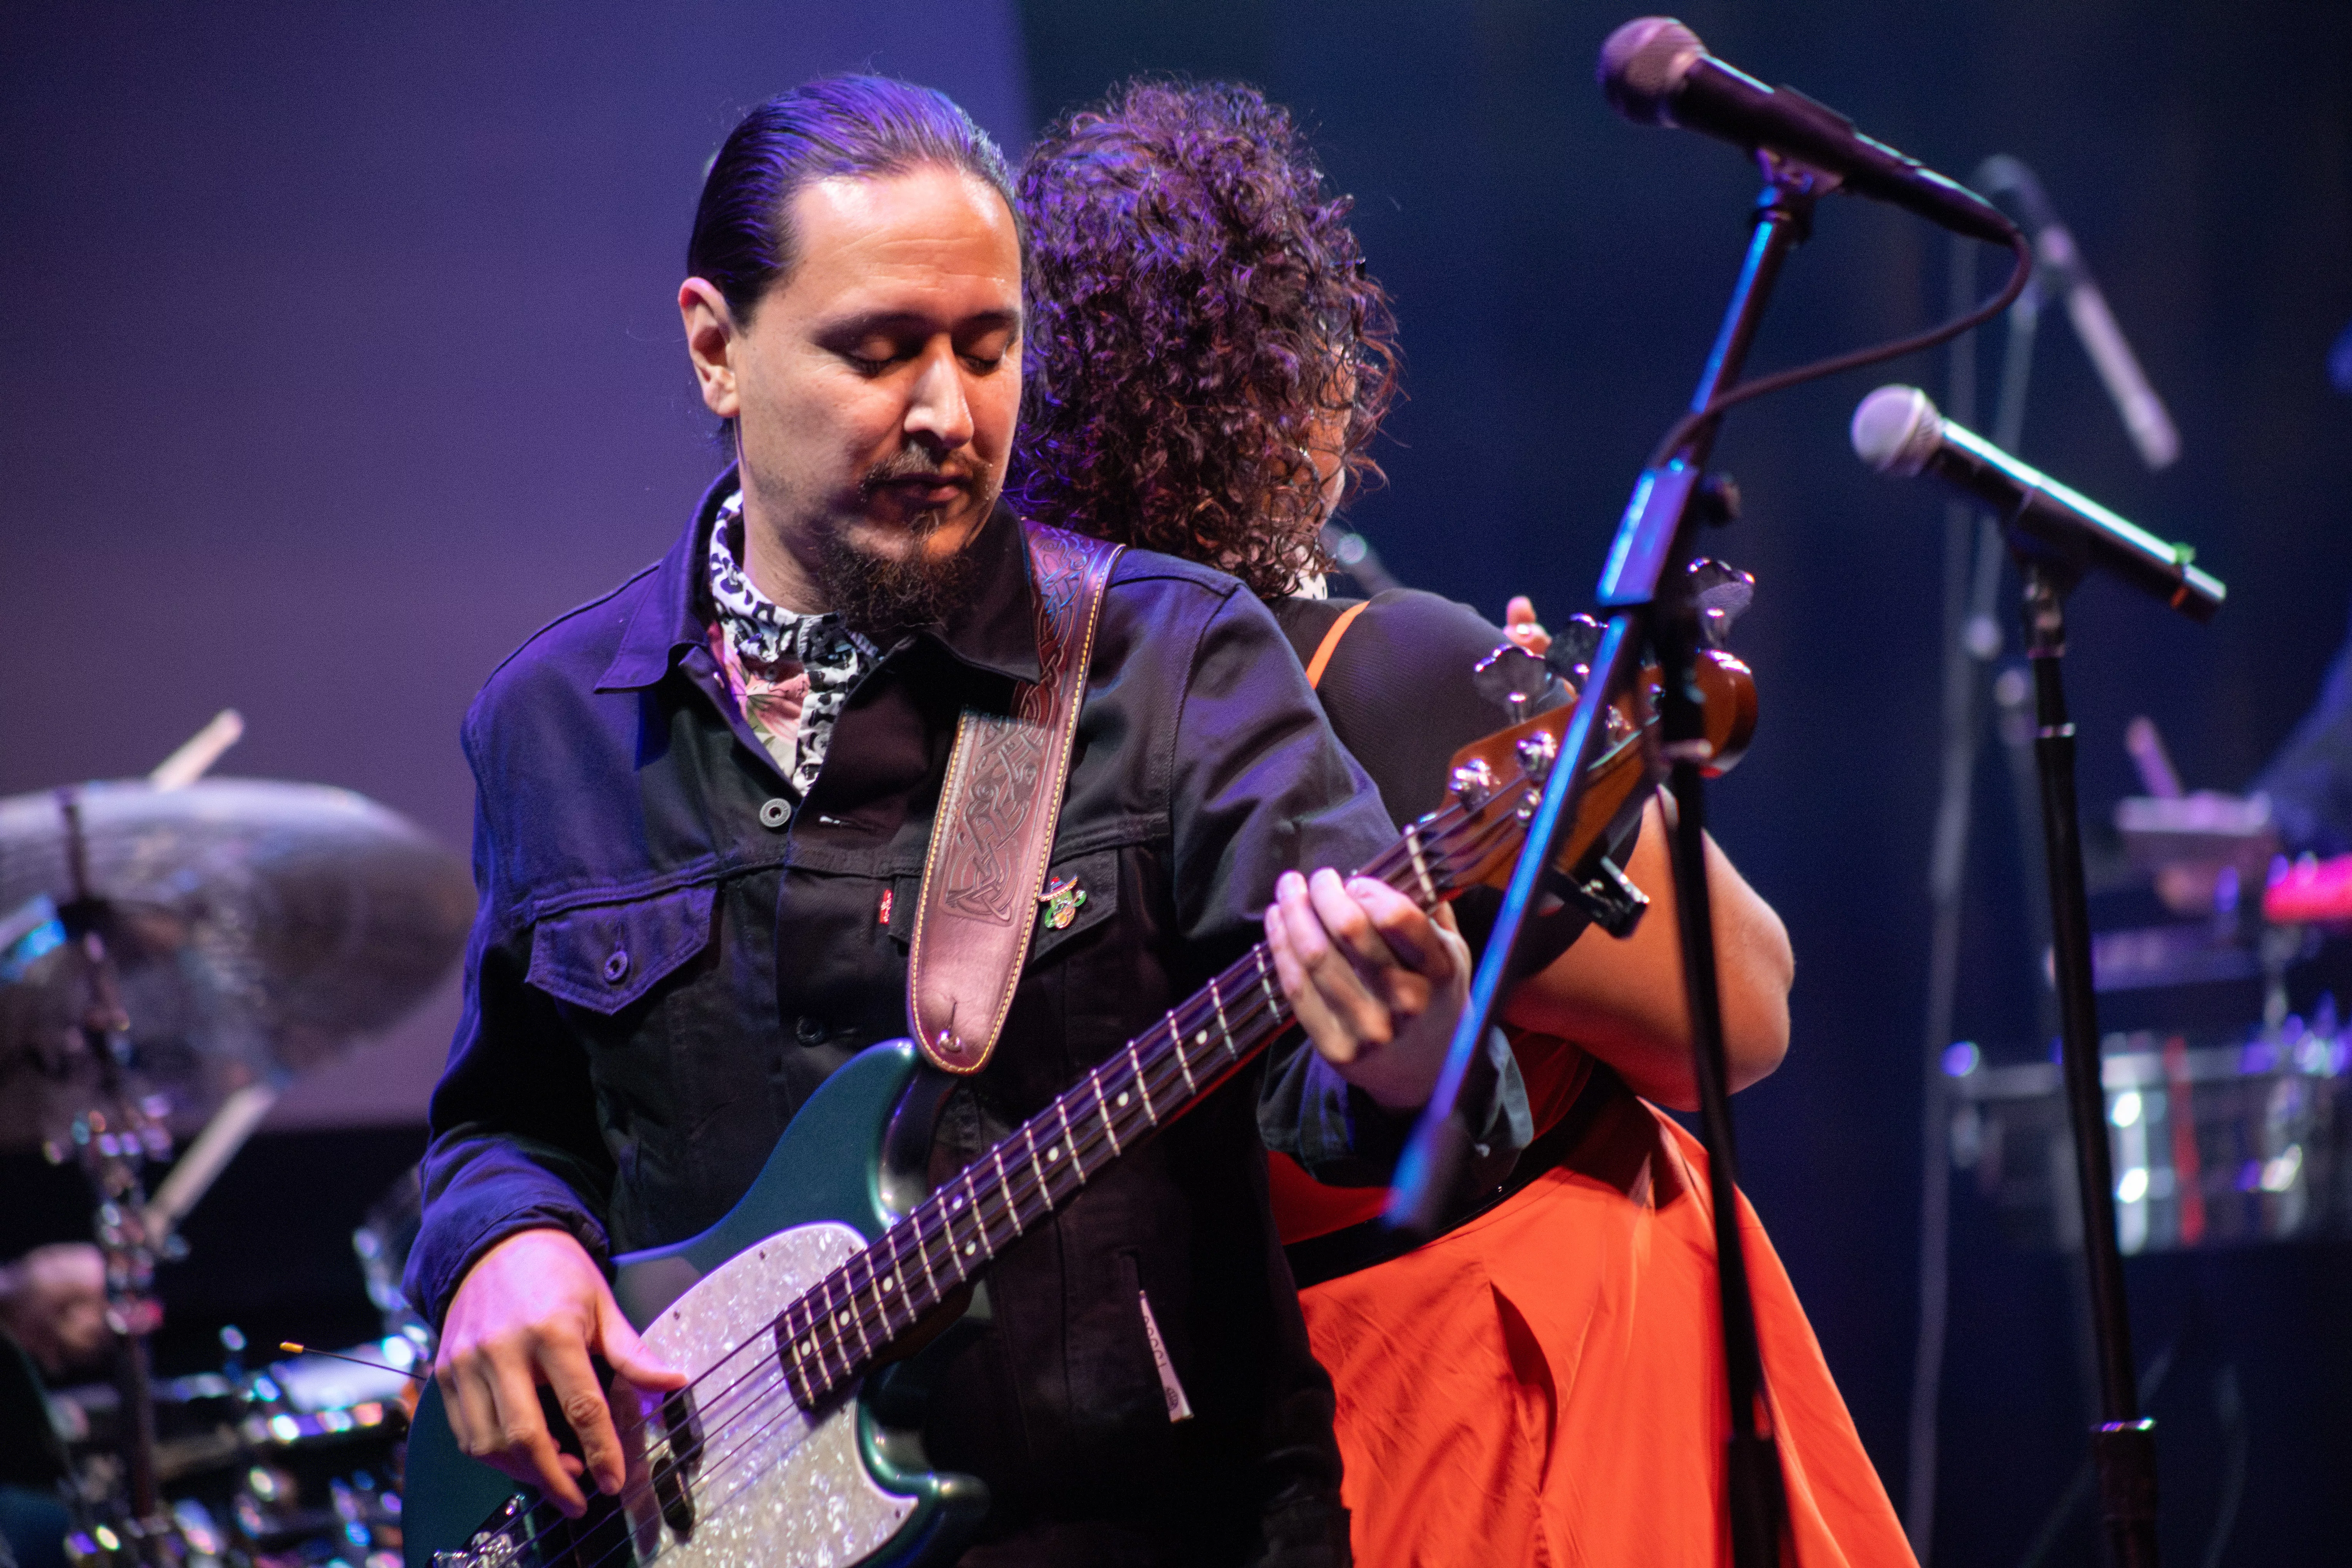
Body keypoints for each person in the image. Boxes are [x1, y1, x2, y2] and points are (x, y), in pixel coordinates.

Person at [404, 75, 1481, 1568]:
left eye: (990, 347)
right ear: (717, 346)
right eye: (880, 350)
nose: (947, 412)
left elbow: (1360, 1100)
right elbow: (507, 1123)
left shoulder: (1168, 663)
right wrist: (502, 1248)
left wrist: (1412, 1036)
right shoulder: (555, 725)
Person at [1014, 79, 1917, 1566]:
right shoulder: (1381, 675)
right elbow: (1741, 1012)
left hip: (1275, 1448)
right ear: (1304, 385)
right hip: (1519, 1397)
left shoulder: (1027, 730)